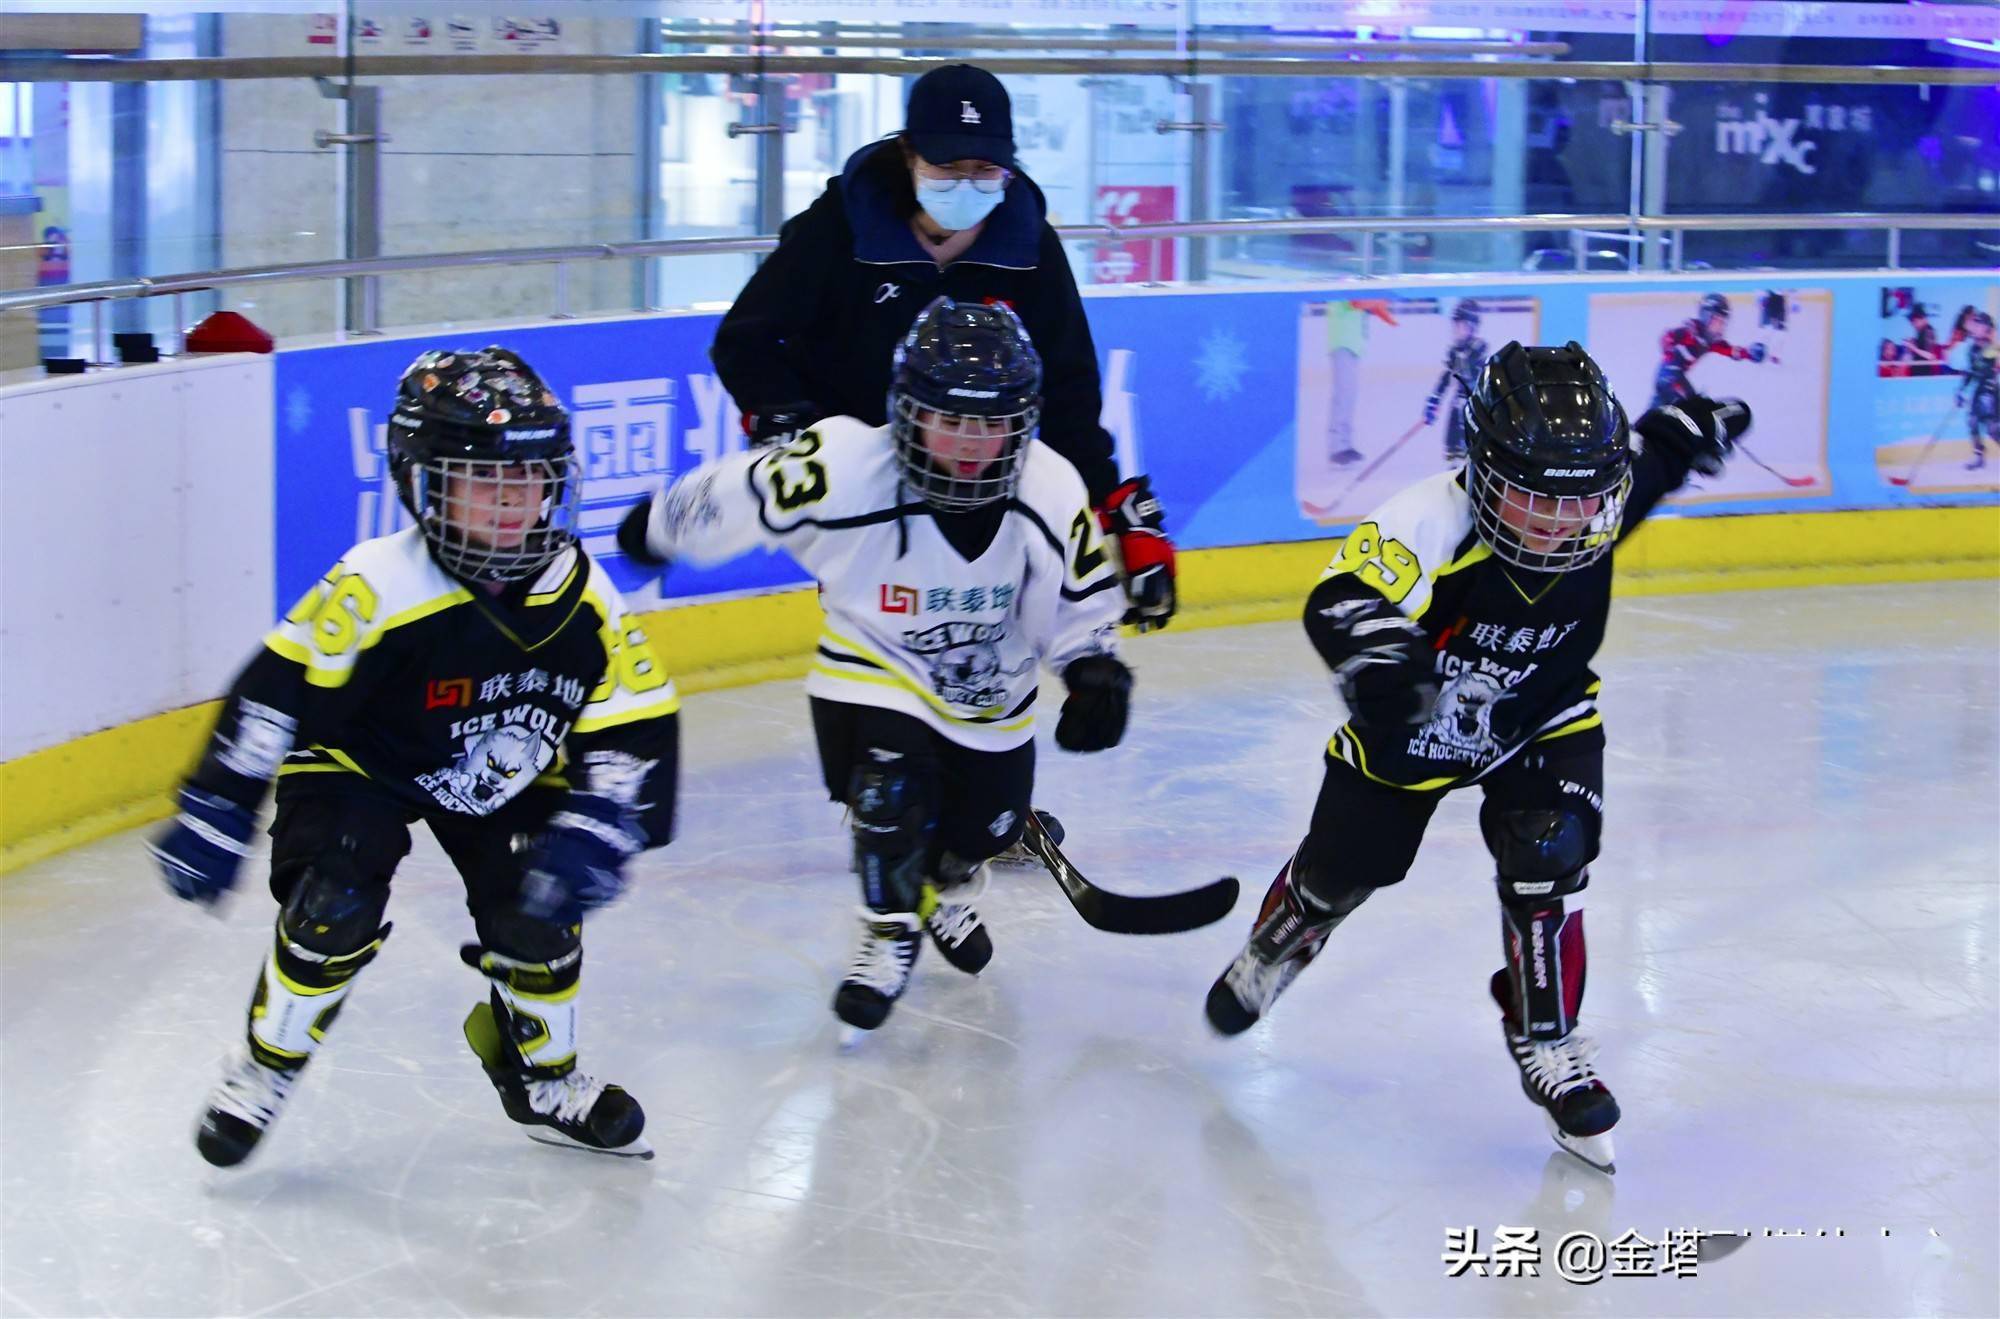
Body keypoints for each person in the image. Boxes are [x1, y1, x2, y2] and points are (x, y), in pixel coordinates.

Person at [1202, 342, 1752, 1174]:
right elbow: (1342, 598)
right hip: (1419, 728)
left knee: (1546, 855)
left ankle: (1548, 1038)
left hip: (1543, 714)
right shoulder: (1427, 519)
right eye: (1534, 499)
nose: (1563, 522)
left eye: (1581, 503)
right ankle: (1284, 938)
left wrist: (1694, 425)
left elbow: (1657, 452)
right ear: (1485, 475)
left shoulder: (1595, 491)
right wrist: (1383, 662)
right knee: (1344, 872)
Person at [152, 347, 679, 1166]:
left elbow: (635, 716)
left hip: (506, 770)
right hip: (362, 760)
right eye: (482, 481)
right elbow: (277, 689)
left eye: (532, 478)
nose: (513, 504)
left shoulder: (582, 593)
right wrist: (220, 801)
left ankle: (542, 1078)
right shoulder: (378, 584)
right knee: (334, 898)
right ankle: (264, 1066)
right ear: (423, 483)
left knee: (538, 915)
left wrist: (605, 820)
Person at [621, 297, 1129, 1036]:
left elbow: (1080, 596)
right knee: (887, 788)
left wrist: (1093, 668)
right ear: (906, 410)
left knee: (978, 832)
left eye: (989, 425)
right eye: (949, 419)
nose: (967, 443)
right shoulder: (845, 466)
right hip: (874, 663)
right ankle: (888, 929)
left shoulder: (1049, 488)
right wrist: (666, 522)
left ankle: (952, 885)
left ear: (1022, 422)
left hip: (991, 693)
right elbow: (749, 490)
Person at [708, 62, 1175, 636]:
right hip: (866, 477)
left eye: (986, 170)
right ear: (908, 155)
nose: (967, 183)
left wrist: (1112, 502)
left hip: (982, 473)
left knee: (980, 651)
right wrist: (797, 434)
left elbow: (1069, 388)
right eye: (946, 167)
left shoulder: (1027, 246)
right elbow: (746, 339)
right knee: (886, 643)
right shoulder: (837, 229)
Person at [1652, 292, 1764, 408]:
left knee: (1691, 406)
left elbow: (1731, 351)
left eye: (1723, 322)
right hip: (1668, 377)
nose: (1721, 326)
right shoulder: (1690, 331)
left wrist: (1750, 353)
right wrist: (1669, 356)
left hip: (1678, 378)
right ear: (1706, 316)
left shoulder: (1712, 342)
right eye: (1717, 320)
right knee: (1677, 409)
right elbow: (1667, 337)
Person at [1424, 299, 1489, 463]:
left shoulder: (1478, 348)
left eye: (1461, 325)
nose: (1457, 330)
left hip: (1474, 406)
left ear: (1472, 327)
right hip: (1457, 405)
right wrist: (1434, 400)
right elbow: (1447, 377)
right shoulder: (1455, 351)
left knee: (1470, 442)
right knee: (1452, 441)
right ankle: (1453, 470)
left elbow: (1479, 376)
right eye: (1455, 325)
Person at [1957, 309, 1997, 471]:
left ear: (1987, 328)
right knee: (1972, 422)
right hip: (1978, 392)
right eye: (1975, 324)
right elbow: (1969, 372)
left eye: (1979, 324)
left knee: (1993, 430)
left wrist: (1976, 371)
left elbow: (1985, 369)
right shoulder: (1972, 348)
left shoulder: (1992, 348)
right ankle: (1978, 456)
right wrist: (1960, 391)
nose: (1975, 327)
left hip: (1991, 392)